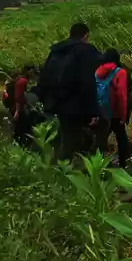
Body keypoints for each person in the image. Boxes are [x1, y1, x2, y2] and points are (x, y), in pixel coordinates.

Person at [35, 22, 103, 161]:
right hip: (76, 103)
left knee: (67, 134)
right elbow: (88, 82)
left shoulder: (56, 51)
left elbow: (44, 76)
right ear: (86, 36)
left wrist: (45, 100)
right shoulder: (85, 50)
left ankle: (62, 165)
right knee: (77, 137)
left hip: (57, 101)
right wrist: (93, 111)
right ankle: (73, 169)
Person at [93, 49, 132, 168]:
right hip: (115, 111)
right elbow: (121, 96)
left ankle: (99, 165)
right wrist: (123, 115)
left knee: (101, 137)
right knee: (121, 136)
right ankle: (123, 163)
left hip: (102, 110)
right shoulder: (120, 72)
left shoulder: (98, 71)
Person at [3, 65, 40, 148]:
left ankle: (17, 147)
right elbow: (19, 97)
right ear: (27, 71)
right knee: (22, 130)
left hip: (15, 108)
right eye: (32, 72)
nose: (33, 74)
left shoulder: (20, 79)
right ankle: (21, 148)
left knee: (19, 130)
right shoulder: (22, 81)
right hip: (18, 109)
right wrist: (17, 112)